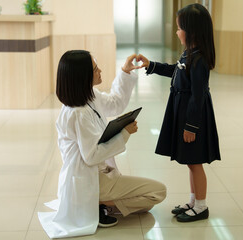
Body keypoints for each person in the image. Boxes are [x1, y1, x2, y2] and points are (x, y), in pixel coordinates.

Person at [38, 50, 166, 238]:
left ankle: (100, 203)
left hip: (101, 173)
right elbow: (92, 157)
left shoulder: (89, 96)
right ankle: (97, 203)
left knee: (146, 204)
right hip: (91, 178)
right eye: (96, 69)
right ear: (83, 76)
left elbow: (115, 103)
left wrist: (125, 71)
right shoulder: (78, 113)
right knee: (158, 192)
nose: (100, 71)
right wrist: (124, 133)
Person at [137, 3, 220, 222]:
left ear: (191, 32)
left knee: (195, 162)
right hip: (183, 109)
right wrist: (152, 65)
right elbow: (176, 71)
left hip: (194, 116)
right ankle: (193, 201)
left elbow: (198, 95)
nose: (176, 32)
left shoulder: (199, 59)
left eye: (179, 28)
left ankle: (201, 206)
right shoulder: (189, 54)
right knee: (190, 162)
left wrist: (191, 126)